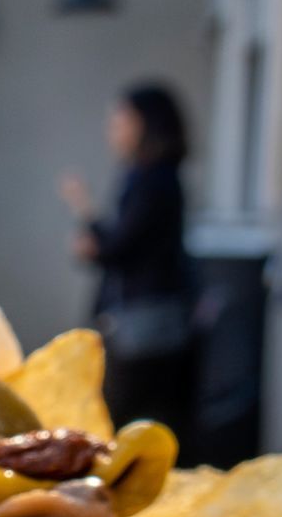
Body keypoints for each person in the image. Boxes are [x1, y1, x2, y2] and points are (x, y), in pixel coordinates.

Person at [60, 82, 195, 432]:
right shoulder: (154, 176)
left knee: (125, 419)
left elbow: (120, 246)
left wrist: (86, 214)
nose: (113, 132)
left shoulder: (153, 179)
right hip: (150, 318)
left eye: (120, 122)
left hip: (143, 323)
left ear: (144, 125)